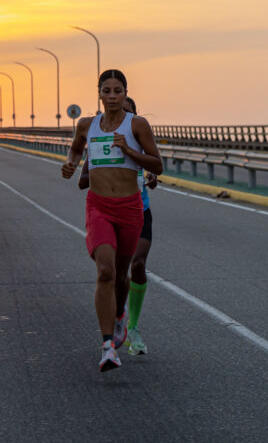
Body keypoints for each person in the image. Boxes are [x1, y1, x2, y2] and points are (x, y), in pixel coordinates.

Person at [62, 69, 162, 372]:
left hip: (130, 208)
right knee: (105, 271)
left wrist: (128, 150)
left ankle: (120, 316)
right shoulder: (87, 125)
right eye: (107, 91)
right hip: (99, 207)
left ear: (125, 92)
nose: (112, 96)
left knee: (121, 276)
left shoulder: (138, 125)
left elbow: (157, 164)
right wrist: (70, 164)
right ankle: (108, 346)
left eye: (118, 91)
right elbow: (76, 148)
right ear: (99, 94)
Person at [78, 96, 157, 356]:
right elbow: (83, 180)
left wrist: (150, 175)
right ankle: (117, 319)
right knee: (112, 273)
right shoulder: (100, 141)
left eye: (127, 113)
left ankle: (132, 327)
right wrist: (99, 170)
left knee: (138, 264)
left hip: (139, 211)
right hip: (108, 210)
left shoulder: (138, 135)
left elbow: (154, 166)